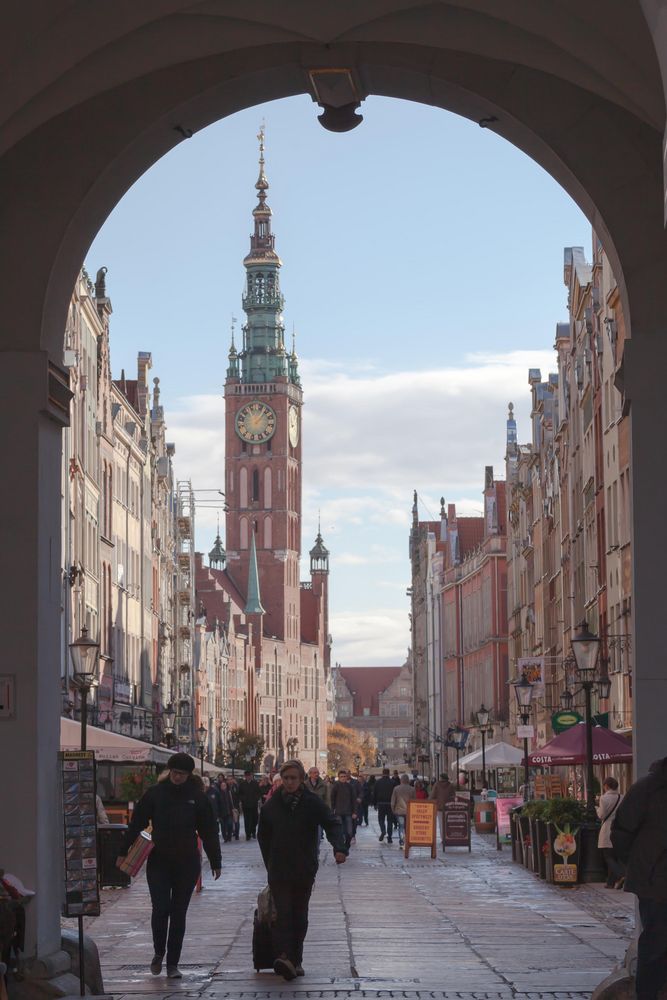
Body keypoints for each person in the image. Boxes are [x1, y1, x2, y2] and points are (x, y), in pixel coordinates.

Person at [116, 752, 221, 979]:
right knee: (160, 908)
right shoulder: (155, 794)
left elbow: (209, 831)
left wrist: (216, 861)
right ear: (169, 772)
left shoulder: (198, 797)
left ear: (188, 775)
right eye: (174, 773)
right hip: (160, 860)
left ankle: (173, 963)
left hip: (187, 862)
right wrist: (123, 851)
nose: (177, 777)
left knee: (179, 912)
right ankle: (158, 952)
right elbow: (137, 824)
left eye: (182, 774)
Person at [257, 759, 347, 980]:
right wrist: (269, 862)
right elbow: (263, 836)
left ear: (301, 779)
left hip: (304, 868)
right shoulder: (272, 805)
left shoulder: (311, 802)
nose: (289, 782)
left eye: (293, 778)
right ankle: (284, 956)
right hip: (279, 869)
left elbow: (331, 822)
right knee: (283, 914)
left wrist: (339, 847)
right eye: (285, 778)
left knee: (300, 914)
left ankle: (296, 959)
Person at [612, 760, 667, 1000]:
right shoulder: (648, 789)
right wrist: (643, 864)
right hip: (656, 881)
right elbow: (622, 831)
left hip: (653, 875)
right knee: (656, 943)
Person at [597, 776, 624, 888]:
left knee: (608, 856)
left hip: (607, 829)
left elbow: (601, 815)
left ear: (606, 786)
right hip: (619, 829)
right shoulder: (622, 797)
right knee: (615, 856)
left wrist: (596, 809)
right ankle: (610, 883)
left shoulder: (603, 798)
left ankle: (621, 875)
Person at [330, 769, 356, 849]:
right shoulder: (335, 786)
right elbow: (332, 799)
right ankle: (341, 846)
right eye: (341, 777)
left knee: (349, 832)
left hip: (348, 811)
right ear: (339, 777)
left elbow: (353, 800)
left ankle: (347, 844)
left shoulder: (350, 787)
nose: (343, 778)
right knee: (340, 831)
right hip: (338, 811)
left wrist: (354, 812)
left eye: (344, 776)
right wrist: (332, 810)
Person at [430, 773, 456, 848]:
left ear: (441, 778)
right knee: (447, 823)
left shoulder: (437, 784)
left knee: (441, 823)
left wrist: (429, 801)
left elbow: (432, 795)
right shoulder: (450, 785)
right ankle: (448, 837)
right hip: (448, 807)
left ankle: (443, 839)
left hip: (439, 807)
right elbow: (453, 795)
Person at [390, 774, 416, 846]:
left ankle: (401, 840)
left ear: (401, 780)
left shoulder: (396, 788)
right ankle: (407, 839)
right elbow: (415, 801)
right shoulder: (412, 789)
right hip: (409, 811)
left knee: (401, 826)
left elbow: (393, 801)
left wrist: (393, 810)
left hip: (399, 811)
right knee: (407, 826)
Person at [373, 768, 395, 844]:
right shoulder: (393, 782)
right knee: (390, 821)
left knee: (381, 819)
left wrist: (375, 804)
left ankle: (383, 830)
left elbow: (374, 793)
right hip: (390, 804)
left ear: (382, 773)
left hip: (381, 803)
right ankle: (389, 838)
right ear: (389, 773)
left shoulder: (378, 782)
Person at [238, 771, 262, 840]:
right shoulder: (242, 784)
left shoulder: (255, 783)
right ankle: (248, 834)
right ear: (245, 776)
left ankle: (253, 831)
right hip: (246, 805)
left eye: (249, 775)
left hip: (254, 804)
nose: (248, 777)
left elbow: (259, 792)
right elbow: (239, 794)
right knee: (247, 820)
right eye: (247, 776)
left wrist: (256, 798)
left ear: (251, 776)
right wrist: (243, 799)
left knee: (255, 819)